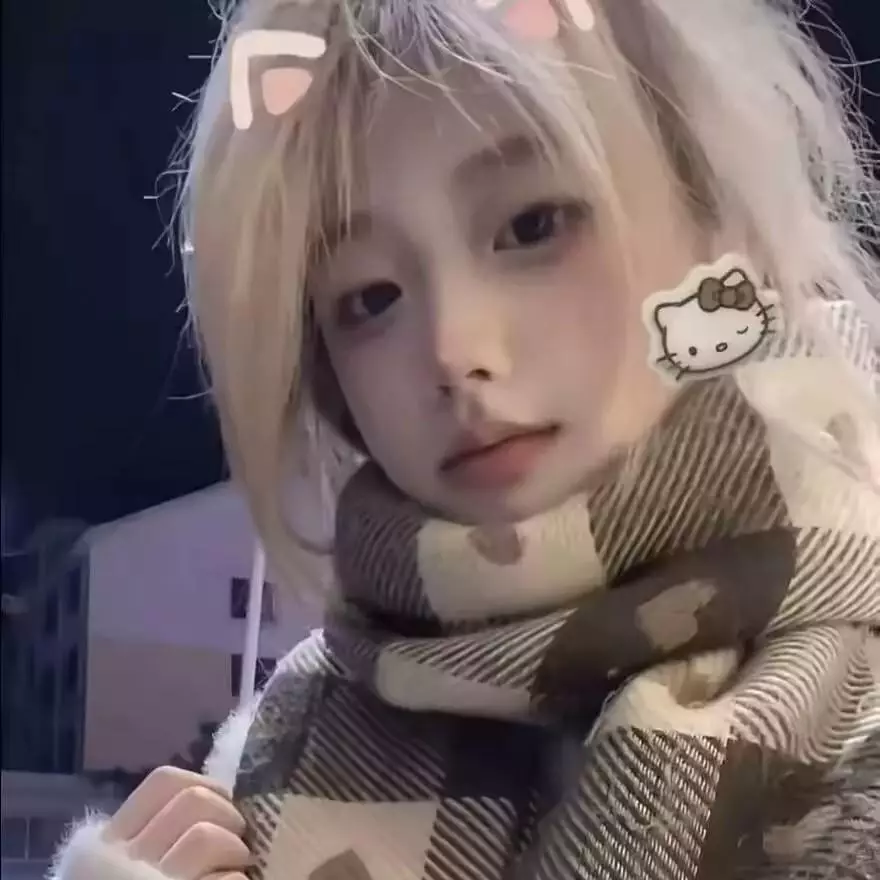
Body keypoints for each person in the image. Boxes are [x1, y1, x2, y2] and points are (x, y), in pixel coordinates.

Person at [51, 0, 880, 878]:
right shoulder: (278, 752)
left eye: (532, 226)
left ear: (712, 212)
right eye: (369, 297)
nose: (453, 350)